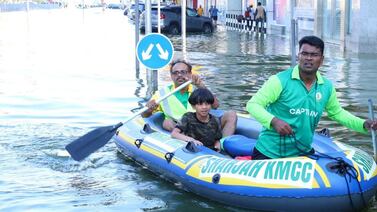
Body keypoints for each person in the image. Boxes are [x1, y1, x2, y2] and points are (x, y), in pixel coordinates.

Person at [246, 35, 377, 160]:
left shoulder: (326, 87)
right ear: (299, 56)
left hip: (303, 153)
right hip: (269, 153)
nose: (308, 58)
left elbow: (337, 113)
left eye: (314, 55)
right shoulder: (279, 80)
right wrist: (274, 121)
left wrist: (363, 124)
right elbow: (253, 105)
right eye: (304, 54)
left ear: (322, 59)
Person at [142, 59, 237, 137]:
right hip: (182, 129)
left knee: (231, 115)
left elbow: (215, 105)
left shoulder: (198, 88)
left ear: (190, 74)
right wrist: (149, 108)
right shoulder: (162, 94)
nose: (179, 75)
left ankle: (222, 145)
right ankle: (191, 142)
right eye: (175, 73)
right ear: (171, 76)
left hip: (205, 124)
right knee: (167, 123)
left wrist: (201, 85)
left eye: (183, 72)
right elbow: (145, 115)